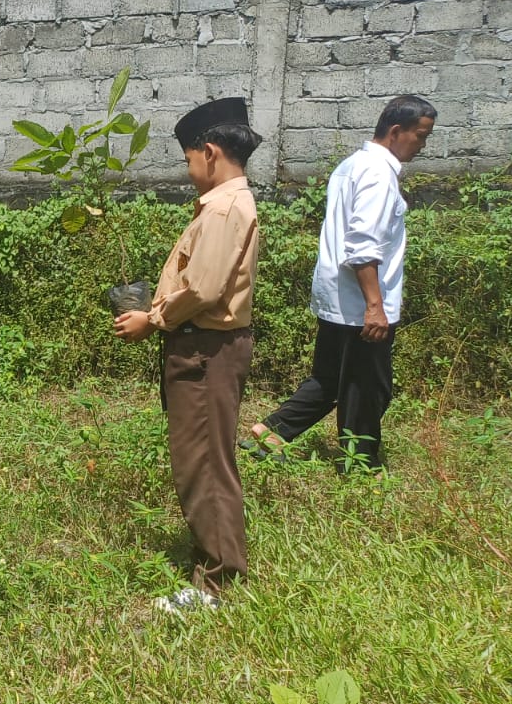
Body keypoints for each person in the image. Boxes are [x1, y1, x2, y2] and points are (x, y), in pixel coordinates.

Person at [113, 97, 262, 614]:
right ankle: (218, 563)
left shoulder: (223, 207)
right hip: (206, 348)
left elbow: (201, 288)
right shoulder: (230, 204)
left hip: (205, 349)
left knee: (203, 463)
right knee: (206, 457)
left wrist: (151, 319)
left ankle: (216, 584)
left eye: (187, 158)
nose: (188, 168)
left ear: (211, 151)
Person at [243, 95, 436, 471]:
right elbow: (362, 248)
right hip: (361, 305)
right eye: (421, 136)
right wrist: (375, 306)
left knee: (330, 380)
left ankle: (271, 431)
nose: (423, 145)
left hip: (338, 299)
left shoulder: (351, 166)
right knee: (368, 388)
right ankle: (361, 466)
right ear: (396, 132)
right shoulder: (378, 174)